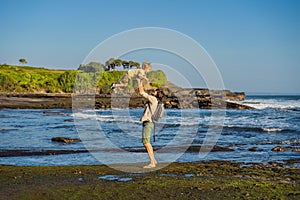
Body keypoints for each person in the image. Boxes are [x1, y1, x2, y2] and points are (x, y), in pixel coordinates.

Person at [138, 81, 160, 168]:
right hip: (149, 122)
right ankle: (153, 160)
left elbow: (142, 92)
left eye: (155, 91)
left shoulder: (153, 99)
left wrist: (139, 81)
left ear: (157, 94)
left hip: (148, 122)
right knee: (146, 142)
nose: (153, 91)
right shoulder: (155, 100)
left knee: (146, 143)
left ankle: (152, 162)